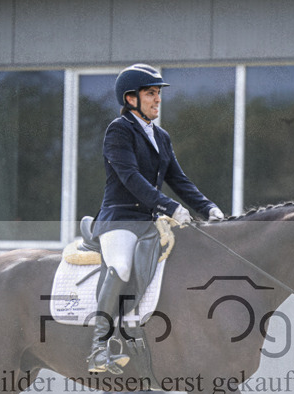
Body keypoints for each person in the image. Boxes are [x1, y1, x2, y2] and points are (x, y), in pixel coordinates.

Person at [88, 63, 225, 374]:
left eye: (158, 94)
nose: (157, 100)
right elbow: (131, 178)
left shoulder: (160, 136)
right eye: (151, 94)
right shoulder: (118, 130)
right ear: (130, 98)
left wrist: (209, 209)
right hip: (119, 220)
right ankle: (98, 344)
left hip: (149, 223)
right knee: (121, 266)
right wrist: (169, 207)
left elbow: (179, 179)